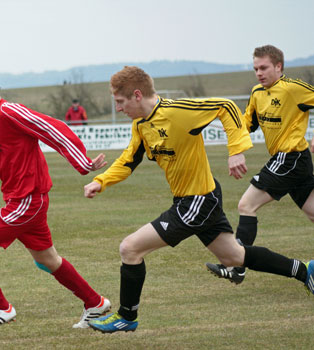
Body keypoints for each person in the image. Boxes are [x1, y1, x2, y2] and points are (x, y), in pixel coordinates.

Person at [82, 66, 314, 334]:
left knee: (130, 248)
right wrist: (101, 181)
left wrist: (236, 150)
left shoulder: (179, 112)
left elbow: (225, 106)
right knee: (235, 256)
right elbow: (128, 160)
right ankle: (304, 271)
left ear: (136, 95)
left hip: (197, 201)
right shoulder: (141, 125)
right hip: (197, 200)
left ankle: (126, 316)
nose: (119, 109)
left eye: (120, 102)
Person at [0, 65, 110, 334]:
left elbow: (54, 129)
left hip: (26, 202)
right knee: (48, 261)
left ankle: (0, 308)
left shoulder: (10, 112)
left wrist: (82, 163)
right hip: (24, 203)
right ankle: (95, 303)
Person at [206, 45, 314, 284]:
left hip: (291, 157)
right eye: (255, 68)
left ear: (278, 66)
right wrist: (223, 124)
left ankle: (237, 266)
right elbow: (247, 125)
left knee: (246, 205)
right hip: (294, 161)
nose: (259, 73)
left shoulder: (294, 89)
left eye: (264, 67)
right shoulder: (257, 93)